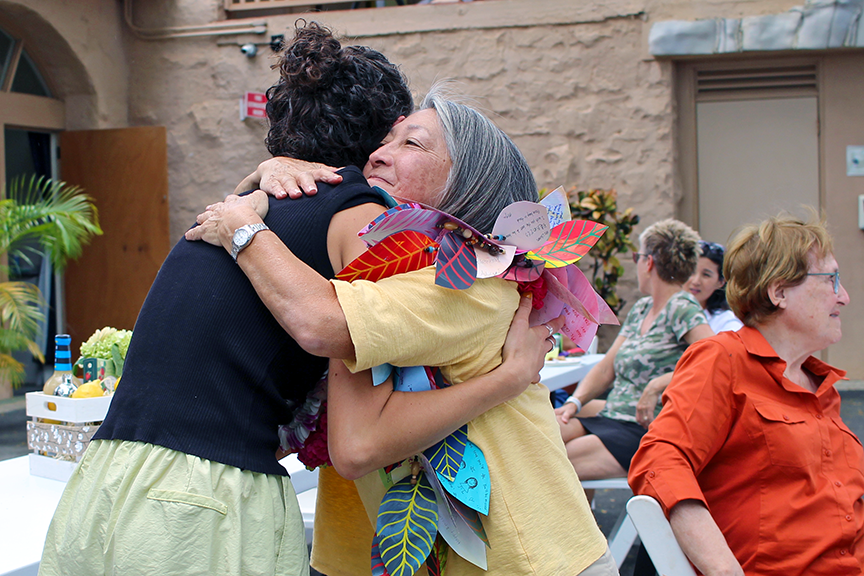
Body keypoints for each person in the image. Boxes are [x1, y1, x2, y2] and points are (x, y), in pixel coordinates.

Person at [37, 24, 556, 576]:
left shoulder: (253, 202)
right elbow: (329, 328)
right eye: (397, 137)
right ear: (373, 144)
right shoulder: (360, 221)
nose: (388, 154)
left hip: (104, 480)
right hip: (200, 497)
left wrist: (257, 184)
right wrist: (509, 374)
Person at [189, 90, 617, 575]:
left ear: (468, 181)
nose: (377, 153)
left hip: (533, 559)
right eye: (385, 139)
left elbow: (322, 332)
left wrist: (241, 228)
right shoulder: (389, 273)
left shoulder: (475, 281)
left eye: (412, 144)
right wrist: (276, 169)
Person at [629, 213, 861, 576]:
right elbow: (661, 460)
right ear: (779, 291)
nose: (843, 296)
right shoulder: (724, 359)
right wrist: (724, 570)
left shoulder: (819, 386)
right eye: (831, 279)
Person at [553, 219, 713, 480]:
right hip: (613, 416)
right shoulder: (642, 309)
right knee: (544, 433)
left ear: (648, 262)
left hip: (647, 429)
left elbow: (713, 358)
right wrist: (574, 402)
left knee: (556, 460)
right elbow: (606, 367)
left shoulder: (682, 306)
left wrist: (656, 385)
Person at [684, 240, 743, 333]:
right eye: (692, 272)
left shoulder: (727, 323)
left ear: (720, 282)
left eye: (706, 275)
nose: (695, 281)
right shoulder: (664, 311)